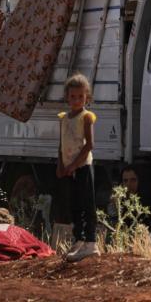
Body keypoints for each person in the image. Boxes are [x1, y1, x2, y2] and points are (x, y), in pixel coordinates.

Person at [56, 74, 98, 262]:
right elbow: (61, 144)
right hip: (68, 169)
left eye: (80, 97)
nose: (76, 100)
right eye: (73, 97)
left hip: (82, 167)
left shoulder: (86, 117)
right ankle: (79, 239)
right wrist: (60, 165)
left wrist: (74, 165)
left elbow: (89, 145)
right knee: (74, 204)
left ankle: (91, 242)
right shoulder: (64, 118)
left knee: (87, 204)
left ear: (86, 98)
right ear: (67, 97)